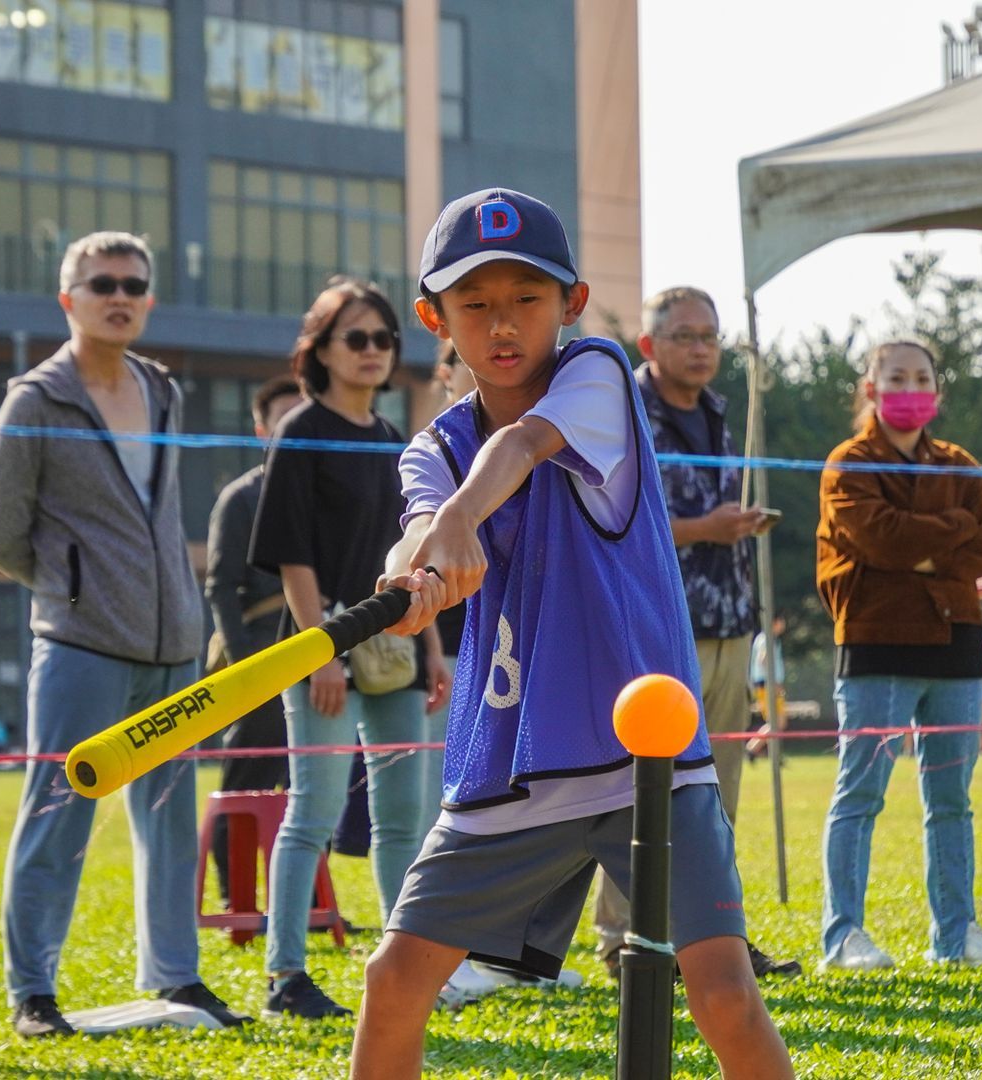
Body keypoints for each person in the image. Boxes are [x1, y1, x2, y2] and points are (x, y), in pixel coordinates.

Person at [350, 187, 791, 1079]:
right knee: (393, 978)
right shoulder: (429, 449)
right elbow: (420, 521)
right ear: (437, 316)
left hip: (649, 759)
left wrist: (460, 526)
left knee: (722, 993)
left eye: (528, 299)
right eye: (474, 305)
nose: (502, 324)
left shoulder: (597, 378)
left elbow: (513, 454)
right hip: (509, 763)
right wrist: (414, 567)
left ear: (572, 304)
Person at [0, 231, 247, 1036]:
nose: (119, 294)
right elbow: (1, 536)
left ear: (150, 298)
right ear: (69, 300)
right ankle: (33, 992)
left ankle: (176, 976)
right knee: (56, 813)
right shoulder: (33, 401)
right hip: (80, 645)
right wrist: (75, 591)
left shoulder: (164, 391)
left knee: (168, 819)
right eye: (101, 283)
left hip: (171, 646)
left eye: (133, 282)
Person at [248, 277, 453, 1020]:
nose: (372, 352)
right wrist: (319, 652)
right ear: (321, 350)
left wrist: (431, 646)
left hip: (396, 652)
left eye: (383, 339)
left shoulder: (393, 439)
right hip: (322, 651)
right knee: (314, 813)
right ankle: (285, 977)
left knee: (406, 820)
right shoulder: (301, 429)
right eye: (356, 338)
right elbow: (291, 553)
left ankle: (412, 968)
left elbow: (410, 556)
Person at [595, 285, 797, 981]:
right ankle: (626, 940)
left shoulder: (720, 414)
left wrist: (732, 529)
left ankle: (715, 936)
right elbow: (614, 521)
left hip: (729, 622)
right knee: (642, 786)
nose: (701, 347)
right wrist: (703, 529)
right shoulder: (624, 416)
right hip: (653, 625)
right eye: (684, 335)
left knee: (718, 791)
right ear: (649, 346)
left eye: (709, 335)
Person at [813, 339, 982, 969]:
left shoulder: (960, 463)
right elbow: (879, 538)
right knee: (860, 794)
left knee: (951, 800)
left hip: (956, 647)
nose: (909, 387)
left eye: (921, 376)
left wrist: (922, 548)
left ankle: (956, 936)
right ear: (870, 388)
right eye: (895, 376)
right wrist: (950, 532)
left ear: (938, 389)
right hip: (876, 643)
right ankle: (843, 935)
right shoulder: (847, 463)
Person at [203, 375, 302, 901]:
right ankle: (236, 896)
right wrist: (248, 671)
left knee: (310, 790)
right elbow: (220, 588)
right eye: (281, 421)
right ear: (261, 429)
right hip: (259, 655)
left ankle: (307, 902)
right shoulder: (241, 498)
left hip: (317, 659)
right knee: (246, 782)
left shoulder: (318, 496)